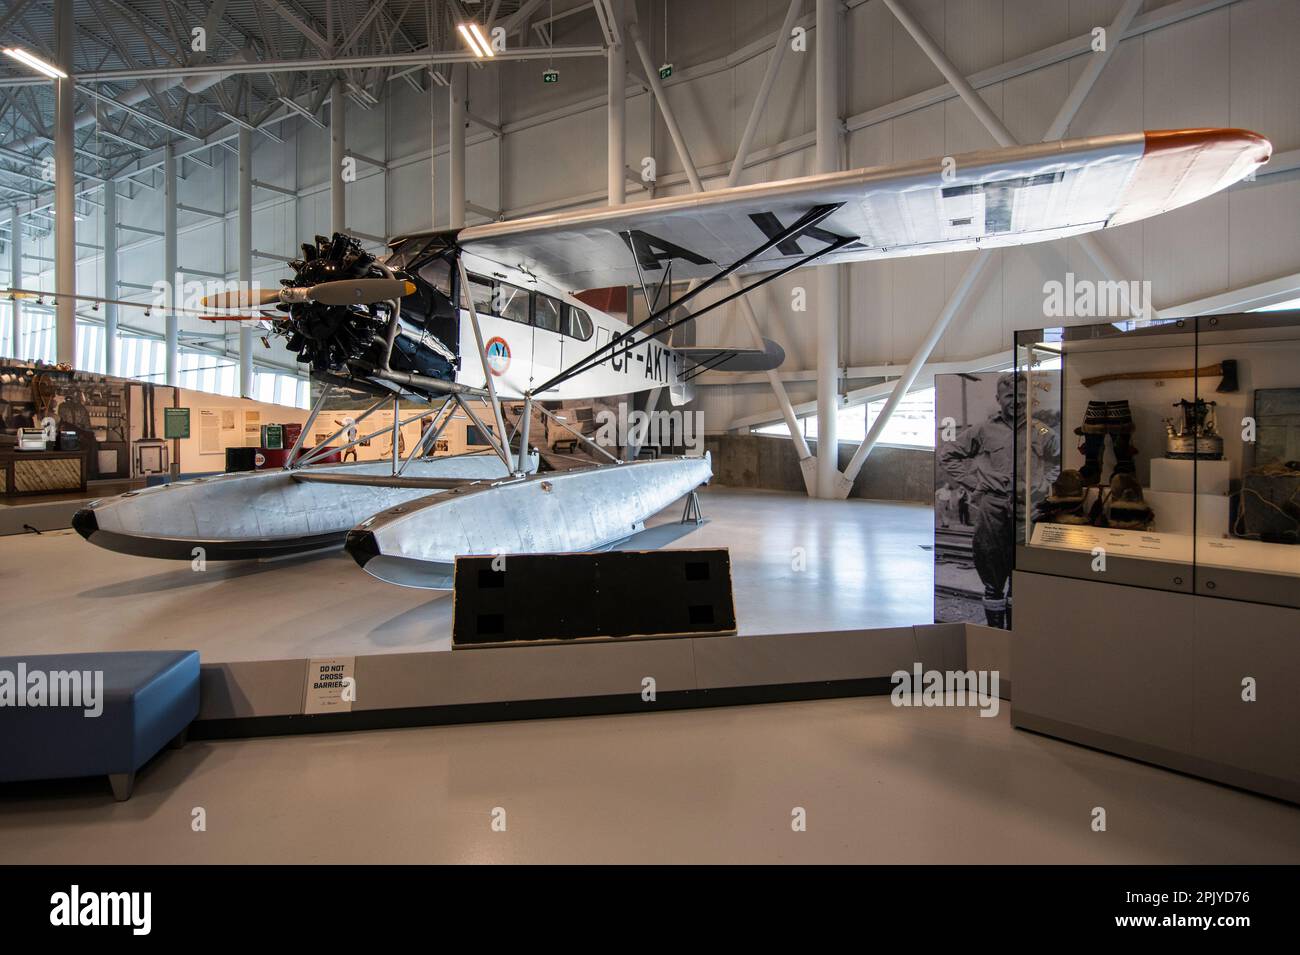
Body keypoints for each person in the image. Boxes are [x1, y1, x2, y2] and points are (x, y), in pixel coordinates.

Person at [940, 374, 1021, 630]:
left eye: (1022, 395)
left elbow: (1053, 462)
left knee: (1021, 580)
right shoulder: (984, 429)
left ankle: (1016, 637)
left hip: (1026, 511)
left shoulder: (1040, 430)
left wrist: (1042, 485)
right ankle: (996, 637)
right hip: (992, 511)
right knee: (993, 580)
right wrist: (975, 484)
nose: (1016, 401)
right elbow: (948, 453)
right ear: (999, 400)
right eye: (1009, 396)